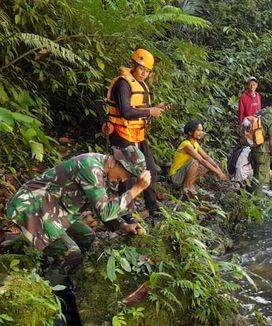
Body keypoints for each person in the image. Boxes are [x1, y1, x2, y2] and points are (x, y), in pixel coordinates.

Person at [6, 145, 149, 325]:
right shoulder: (91, 167)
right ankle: (50, 298)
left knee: (86, 236)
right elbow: (105, 212)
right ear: (116, 162)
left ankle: (57, 269)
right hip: (31, 207)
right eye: (127, 175)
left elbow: (101, 207)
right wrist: (136, 189)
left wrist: (123, 225)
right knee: (71, 253)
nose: (124, 180)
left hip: (54, 210)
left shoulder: (101, 169)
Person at [104, 48, 169, 222]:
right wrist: (150, 112)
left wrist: (156, 108)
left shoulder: (139, 84)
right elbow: (125, 112)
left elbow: (137, 108)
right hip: (121, 133)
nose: (144, 73)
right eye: (141, 68)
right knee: (127, 174)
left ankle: (152, 206)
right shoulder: (123, 84)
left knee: (151, 170)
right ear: (133, 64)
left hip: (138, 134)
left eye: (147, 71)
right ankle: (126, 213)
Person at [169, 120, 228, 198]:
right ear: (190, 132)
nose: (201, 133)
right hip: (176, 177)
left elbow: (206, 157)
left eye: (201, 130)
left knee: (209, 164)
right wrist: (218, 173)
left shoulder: (195, 144)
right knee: (195, 162)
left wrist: (219, 170)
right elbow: (202, 160)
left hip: (184, 174)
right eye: (198, 130)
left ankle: (190, 184)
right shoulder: (186, 145)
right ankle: (186, 186)